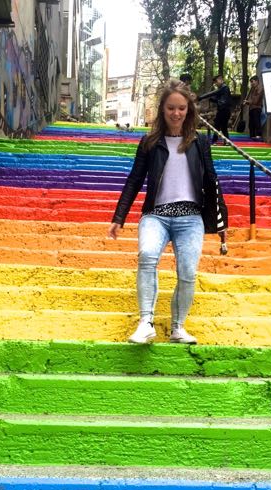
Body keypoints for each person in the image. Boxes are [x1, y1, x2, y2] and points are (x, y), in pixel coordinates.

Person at [108, 79, 228, 345]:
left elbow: (211, 180)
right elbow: (134, 180)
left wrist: (222, 221)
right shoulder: (150, 142)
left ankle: (178, 327)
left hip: (190, 218)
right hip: (156, 215)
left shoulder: (199, 142)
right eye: (171, 108)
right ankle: (145, 323)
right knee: (147, 255)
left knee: (188, 272)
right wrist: (119, 217)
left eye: (182, 108)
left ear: (189, 111)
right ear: (163, 110)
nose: (176, 113)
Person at [198, 73, 232, 143]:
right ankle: (226, 141)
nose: (215, 84)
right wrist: (211, 99)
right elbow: (217, 99)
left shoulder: (224, 87)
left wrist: (200, 97)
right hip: (222, 110)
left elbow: (213, 93)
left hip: (224, 110)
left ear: (220, 80)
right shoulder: (221, 89)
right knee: (221, 127)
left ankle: (216, 141)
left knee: (219, 126)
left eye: (216, 82)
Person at [244, 75, 264, 139]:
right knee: (251, 124)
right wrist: (247, 102)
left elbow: (256, 100)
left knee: (256, 121)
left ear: (257, 81)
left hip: (257, 108)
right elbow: (252, 100)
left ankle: (258, 135)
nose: (251, 83)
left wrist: (247, 102)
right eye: (251, 82)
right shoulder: (252, 89)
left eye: (252, 82)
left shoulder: (260, 88)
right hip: (252, 108)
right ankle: (252, 136)